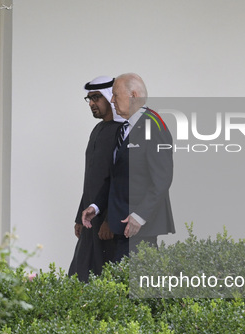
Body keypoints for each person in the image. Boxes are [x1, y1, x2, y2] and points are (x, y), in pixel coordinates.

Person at [82, 73, 175, 261]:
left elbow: (161, 179)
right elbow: (116, 176)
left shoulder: (154, 126)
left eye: (116, 95)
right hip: (122, 227)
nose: (113, 100)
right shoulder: (125, 129)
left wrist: (139, 216)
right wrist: (96, 206)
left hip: (140, 230)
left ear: (133, 95)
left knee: (137, 288)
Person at [68, 76, 123, 282]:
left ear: (111, 98)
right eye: (89, 99)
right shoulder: (98, 130)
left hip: (108, 224)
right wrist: (78, 216)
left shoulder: (122, 131)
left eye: (97, 97)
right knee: (79, 275)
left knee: (106, 279)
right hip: (91, 219)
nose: (91, 104)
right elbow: (91, 178)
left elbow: (119, 180)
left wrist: (110, 220)